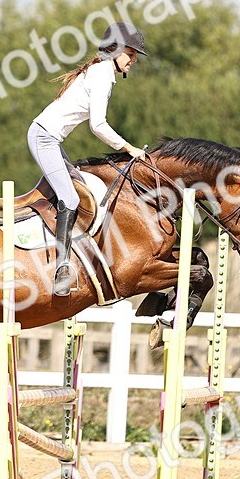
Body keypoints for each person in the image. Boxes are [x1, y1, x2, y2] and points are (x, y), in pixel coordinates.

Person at [28, 21, 149, 296]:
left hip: (49, 139)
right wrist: (129, 148)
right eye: (130, 55)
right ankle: (61, 270)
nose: (133, 61)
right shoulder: (102, 75)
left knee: (81, 190)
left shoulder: (102, 72)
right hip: (43, 137)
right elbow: (98, 125)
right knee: (70, 200)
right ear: (115, 50)